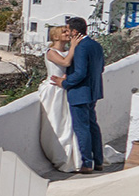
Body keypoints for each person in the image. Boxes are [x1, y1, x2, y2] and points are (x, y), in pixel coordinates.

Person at [50, 17, 105, 173]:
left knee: (82, 128)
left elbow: (80, 72)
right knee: (93, 126)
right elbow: (101, 68)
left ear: (75, 31)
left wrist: (65, 83)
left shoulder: (80, 48)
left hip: (80, 93)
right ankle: (98, 161)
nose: (67, 32)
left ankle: (87, 163)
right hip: (94, 91)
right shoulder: (96, 45)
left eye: (68, 30)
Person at [38, 26, 84, 172]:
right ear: (55, 37)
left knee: (67, 123)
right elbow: (65, 63)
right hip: (54, 91)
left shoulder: (66, 51)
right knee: (56, 121)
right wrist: (74, 46)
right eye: (63, 32)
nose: (67, 34)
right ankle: (59, 154)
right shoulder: (51, 52)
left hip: (64, 88)